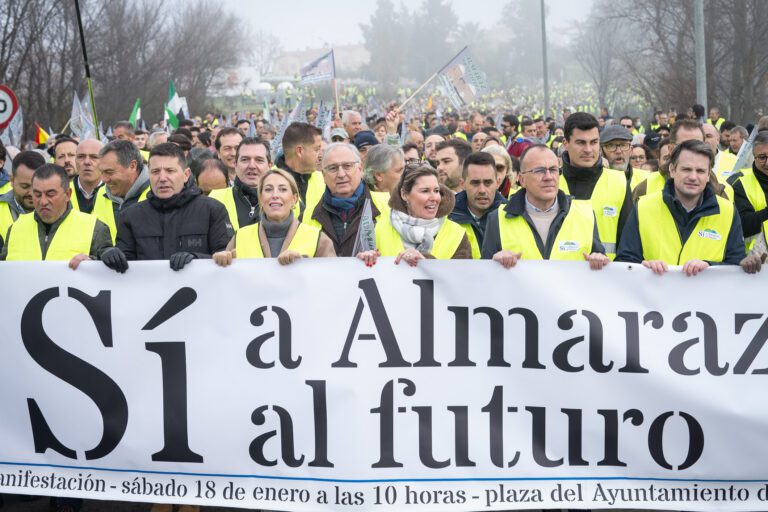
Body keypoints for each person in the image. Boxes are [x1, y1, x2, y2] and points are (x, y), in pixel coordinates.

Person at [616, 140, 745, 274]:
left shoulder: (728, 211)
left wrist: (709, 266)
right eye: (686, 169)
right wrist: (644, 267)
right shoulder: (643, 207)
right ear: (672, 170)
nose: (693, 177)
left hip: (707, 294)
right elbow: (625, 262)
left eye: (700, 171)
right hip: (655, 292)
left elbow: (737, 265)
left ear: (708, 175)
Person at [101, 143, 232, 273]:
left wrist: (196, 259)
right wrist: (111, 256)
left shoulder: (213, 210)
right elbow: (125, 268)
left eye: (170, 171)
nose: (162, 178)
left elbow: (226, 258)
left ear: (186, 175)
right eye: (155, 172)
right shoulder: (130, 216)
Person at [481, 145, 608, 269]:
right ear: (522, 179)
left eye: (553, 170)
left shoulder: (585, 214)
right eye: (539, 171)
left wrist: (599, 260)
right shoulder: (497, 218)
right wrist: (494, 263)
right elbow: (485, 275)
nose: (548, 177)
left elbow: (601, 269)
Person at [213, 169, 335, 266]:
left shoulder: (318, 238)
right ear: (261, 199)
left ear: (294, 199)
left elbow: (331, 281)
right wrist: (221, 262)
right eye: (268, 189)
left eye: (282, 189)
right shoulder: (240, 237)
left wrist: (304, 265)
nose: (275, 195)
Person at [357, 165, 471, 266]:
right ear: (404, 195)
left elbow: (461, 282)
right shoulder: (378, 229)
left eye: (436, 191)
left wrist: (426, 263)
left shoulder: (457, 233)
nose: (434, 198)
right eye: (425, 191)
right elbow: (366, 276)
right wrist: (365, 259)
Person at [1, 164, 111, 266]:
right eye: (37, 194)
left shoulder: (95, 228)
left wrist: (92, 263)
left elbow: (109, 276)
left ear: (68, 195)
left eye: (50, 194)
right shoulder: (15, 228)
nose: (43, 201)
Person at [559, 112, 631, 259]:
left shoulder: (619, 182)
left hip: (607, 276)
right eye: (580, 143)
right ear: (565, 144)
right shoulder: (551, 183)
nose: (588, 150)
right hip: (560, 277)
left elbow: (628, 246)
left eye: (593, 142)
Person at [305, 143, 390, 257]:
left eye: (347, 166)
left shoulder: (389, 207)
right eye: (333, 168)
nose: (341, 174)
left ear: (360, 169)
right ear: (324, 176)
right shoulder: (307, 217)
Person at [634, 120, 732, 201]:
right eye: (685, 146)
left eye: (697, 145)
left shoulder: (723, 189)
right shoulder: (645, 188)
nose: (692, 152)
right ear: (670, 149)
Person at [448, 152, 506, 259]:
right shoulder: (446, 217)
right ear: (462, 184)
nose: (482, 190)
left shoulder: (512, 215)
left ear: (498, 183)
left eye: (488, 183)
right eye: (475, 183)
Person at [209, 137, 271, 232]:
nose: (252, 166)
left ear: (269, 165)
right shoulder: (215, 199)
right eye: (245, 159)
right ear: (235, 164)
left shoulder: (288, 198)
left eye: (259, 160)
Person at [95, 139, 150, 242]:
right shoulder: (100, 193)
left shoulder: (158, 193)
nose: (104, 179)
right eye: (101, 172)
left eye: (109, 172)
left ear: (132, 166)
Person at [276, 122, 325, 222]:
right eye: (316, 149)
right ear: (300, 151)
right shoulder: (268, 181)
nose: (320, 156)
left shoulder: (323, 178)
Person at [728, 131, 768, 250]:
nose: (767, 163)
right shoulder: (739, 182)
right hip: (754, 262)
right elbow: (742, 225)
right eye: (762, 157)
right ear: (753, 156)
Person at [0, 151, 46, 249]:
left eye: (36, 187)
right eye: (25, 186)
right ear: (12, 180)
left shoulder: (60, 210)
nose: (31, 193)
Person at [600, 125, 649, 190]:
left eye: (623, 145)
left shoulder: (646, 178)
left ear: (631, 150)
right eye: (611, 146)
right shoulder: (595, 179)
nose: (618, 151)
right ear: (601, 151)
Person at [71, 138, 104, 214]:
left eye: (94, 157)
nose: (87, 162)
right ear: (75, 160)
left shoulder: (115, 194)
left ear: (105, 161)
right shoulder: (62, 192)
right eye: (81, 156)